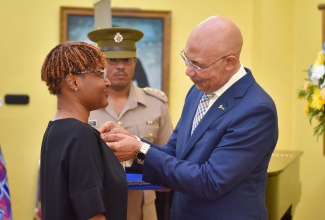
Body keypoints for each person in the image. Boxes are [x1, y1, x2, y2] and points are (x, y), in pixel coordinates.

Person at [99, 15, 279, 220]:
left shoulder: (255, 109)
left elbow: (210, 181)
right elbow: (174, 152)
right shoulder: (198, 91)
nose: (188, 71)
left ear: (230, 62)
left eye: (198, 65)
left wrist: (139, 150)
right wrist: (132, 142)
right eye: (186, 59)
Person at [87, 28, 174, 220]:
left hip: (143, 211)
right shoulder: (85, 104)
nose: (121, 66)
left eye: (127, 60)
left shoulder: (156, 104)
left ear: (135, 63)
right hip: (98, 209)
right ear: (100, 64)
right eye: (113, 60)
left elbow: (170, 157)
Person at [40, 41, 127, 220]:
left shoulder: (55, 130)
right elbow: (92, 214)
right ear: (73, 81)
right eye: (100, 74)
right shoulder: (81, 135)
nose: (108, 82)